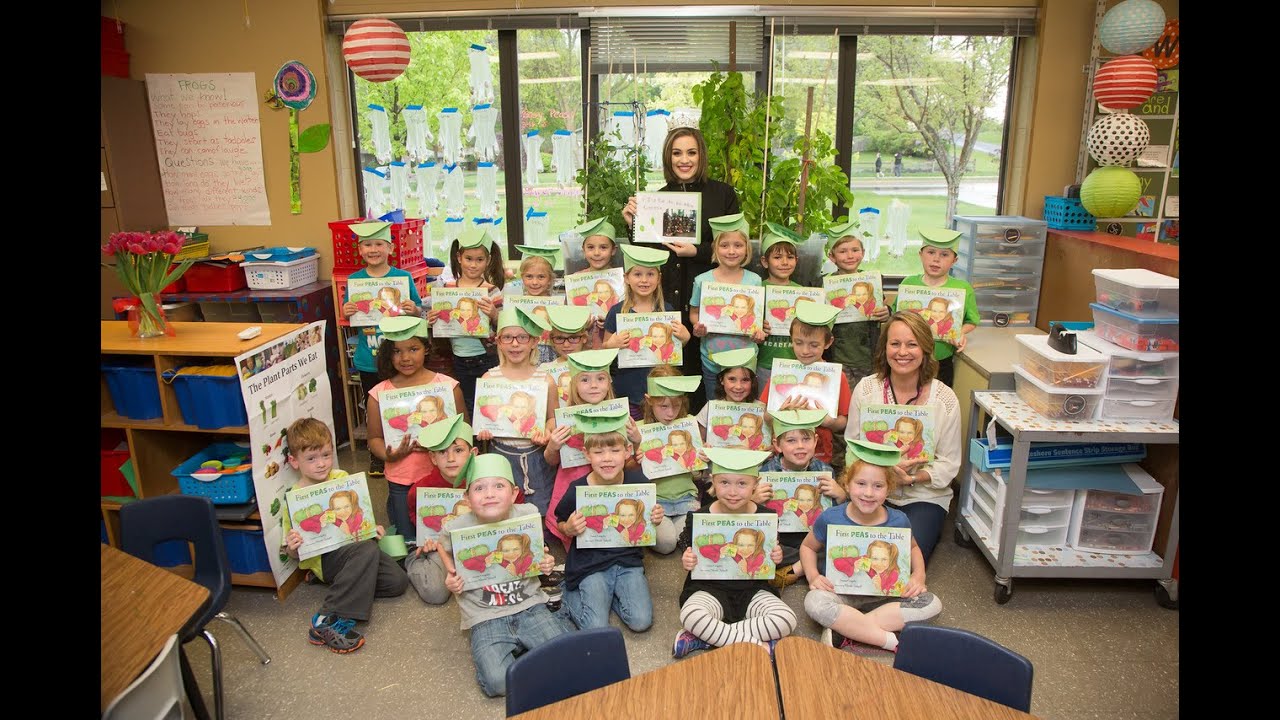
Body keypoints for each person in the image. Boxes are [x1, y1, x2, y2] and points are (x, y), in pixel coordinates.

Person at [408, 454, 572, 697]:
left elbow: (538, 554)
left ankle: (533, 649)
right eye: (479, 488)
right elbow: (443, 548)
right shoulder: (456, 527)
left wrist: (545, 563)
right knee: (498, 683)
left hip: (529, 605)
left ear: (515, 492)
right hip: (484, 616)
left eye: (499, 485)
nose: (489, 494)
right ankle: (522, 659)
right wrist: (451, 576)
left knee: (567, 662)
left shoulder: (526, 513)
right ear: (467, 497)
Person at [622, 126, 741, 398]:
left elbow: (737, 245)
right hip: (669, 297)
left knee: (709, 376)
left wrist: (696, 251)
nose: (684, 160)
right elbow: (650, 256)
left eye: (691, 152)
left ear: (701, 156)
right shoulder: (656, 199)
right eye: (676, 153)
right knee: (672, 373)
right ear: (667, 157)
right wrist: (633, 225)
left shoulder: (723, 195)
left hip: (709, 301)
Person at [800, 439, 942, 654]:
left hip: (889, 594)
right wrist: (812, 576)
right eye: (861, 484)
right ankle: (888, 640)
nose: (868, 493)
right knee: (814, 601)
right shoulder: (831, 517)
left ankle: (850, 629)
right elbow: (808, 547)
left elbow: (913, 548)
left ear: (889, 489)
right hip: (842, 593)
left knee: (931, 603)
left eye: (878, 486)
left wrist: (919, 575)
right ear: (847, 484)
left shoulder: (899, 519)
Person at [842, 311, 962, 564]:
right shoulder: (866, 389)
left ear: (926, 349)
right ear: (884, 347)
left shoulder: (945, 399)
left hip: (923, 495)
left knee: (900, 562)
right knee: (853, 555)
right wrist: (880, 474)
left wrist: (911, 478)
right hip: (870, 491)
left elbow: (949, 463)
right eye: (895, 344)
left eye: (912, 344)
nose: (902, 352)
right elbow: (852, 447)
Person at [282, 417, 408, 654]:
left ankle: (346, 583)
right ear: (294, 461)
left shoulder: (340, 478)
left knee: (397, 582)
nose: (321, 464)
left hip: (355, 550)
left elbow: (359, 515)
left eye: (326, 455)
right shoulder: (295, 498)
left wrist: (373, 528)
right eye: (311, 458)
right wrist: (292, 547)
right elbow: (291, 554)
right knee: (367, 550)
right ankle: (326, 619)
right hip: (326, 559)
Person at [674, 448, 797, 658]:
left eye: (742, 484)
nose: (732, 491)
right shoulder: (699, 517)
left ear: (755, 485)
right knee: (691, 614)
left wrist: (775, 556)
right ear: (713, 481)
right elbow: (686, 547)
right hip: (709, 588)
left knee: (787, 619)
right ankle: (758, 646)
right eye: (724, 483)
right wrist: (688, 558)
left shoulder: (765, 517)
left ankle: (705, 638)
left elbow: (768, 553)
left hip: (752, 589)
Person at [554, 407, 665, 630]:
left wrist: (656, 517)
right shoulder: (578, 488)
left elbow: (646, 520)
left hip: (628, 561)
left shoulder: (638, 482)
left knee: (641, 621)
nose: (607, 459)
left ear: (627, 451)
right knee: (595, 627)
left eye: (614, 451)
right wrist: (569, 528)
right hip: (590, 564)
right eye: (598, 452)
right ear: (587, 454)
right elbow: (560, 521)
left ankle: (609, 596)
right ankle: (569, 593)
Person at [366, 316, 465, 540]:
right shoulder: (379, 394)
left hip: (444, 477)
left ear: (426, 349)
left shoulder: (447, 387)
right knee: (408, 538)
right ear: (388, 354)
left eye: (413, 349)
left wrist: (440, 442)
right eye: (397, 351)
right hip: (402, 478)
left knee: (446, 534)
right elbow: (374, 439)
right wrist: (389, 455)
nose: (406, 358)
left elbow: (463, 432)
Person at [341, 221, 424, 477]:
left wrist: (414, 309)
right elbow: (348, 317)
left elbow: (419, 311)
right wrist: (347, 311)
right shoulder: (354, 281)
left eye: (379, 244)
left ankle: (408, 445)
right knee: (374, 408)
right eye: (367, 245)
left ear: (390, 247)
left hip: (400, 356)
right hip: (368, 358)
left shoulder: (403, 278)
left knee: (402, 405)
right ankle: (377, 454)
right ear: (360, 250)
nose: (373, 249)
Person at [543, 349, 643, 550]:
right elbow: (551, 461)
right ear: (574, 385)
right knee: (576, 534)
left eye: (600, 378)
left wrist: (637, 442)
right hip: (571, 480)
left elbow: (630, 463)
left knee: (608, 528)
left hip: (610, 482)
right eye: (585, 380)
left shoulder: (621, 416)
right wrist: (553, 446)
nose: (594, 385)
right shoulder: (564, 421)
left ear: (609, 383)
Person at [474, 307, 558, 517]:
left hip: (535, 456)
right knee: (502, 511)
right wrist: (483, 433)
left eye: (522, 337)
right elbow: (484, 420)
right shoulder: (489, 379)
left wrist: (547, 433)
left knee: (539, 510)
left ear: (534, 342)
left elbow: (551, 418)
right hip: (500, 454)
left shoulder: (545, 380)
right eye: (508, 337)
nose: (515, 343)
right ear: (498, 341)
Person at [758, 302, 850, 472]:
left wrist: (828, 421)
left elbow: (843, 422)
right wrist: (778, 413)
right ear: (790, 340)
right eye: (798, 343)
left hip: (821, 453)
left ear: (828, 343)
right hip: (783, 455)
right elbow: (765, 416)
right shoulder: (782, 373)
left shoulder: (837, 377)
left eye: (814, 345)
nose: (805, 350)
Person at [602, 244, 691, 419]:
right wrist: (612, 345)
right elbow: (605, 350)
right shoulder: (616, 311)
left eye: (650, 274)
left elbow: (675, 349)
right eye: (637, 274)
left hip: (661, 393)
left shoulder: (667, 311)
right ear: (626, 278)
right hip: (628, 389)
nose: (644, 280)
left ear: (659, 278)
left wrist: (685, 338)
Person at [757, 409, 841, 589]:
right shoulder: (765, 473)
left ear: (816, 441)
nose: (800, 446)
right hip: (782, 538)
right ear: (777, 445)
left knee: (835, 550)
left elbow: (837, 516)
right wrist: (754, 500)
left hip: (813, 537)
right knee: (764, 549)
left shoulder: (825, 472)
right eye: (791, 440)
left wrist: (841, 494)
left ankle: (794, 570)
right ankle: (806, 564)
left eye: (806, 439)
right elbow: (754, 517)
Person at [690, 213, 767, 402]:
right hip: (712, 359)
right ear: (715, 248)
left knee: (745, 406)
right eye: (724, 246)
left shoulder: (754, 281)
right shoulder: (702, 281)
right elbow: (694, 313)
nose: (731, 251)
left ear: (747, 248)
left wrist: (760, 332)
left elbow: (758, 319)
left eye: (738, 245)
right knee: (714, 405)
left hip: (745, 360)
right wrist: (698, 327)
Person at [891, 228, 980, 387]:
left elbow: (971, 321)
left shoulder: (963, 289)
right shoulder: (908, 284)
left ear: (955, 260)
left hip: (941, 359)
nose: (936, 259)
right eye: (931, 252)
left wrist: (961, 332)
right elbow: (896, 317)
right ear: (920, 255)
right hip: (906, 358)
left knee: (937, 404)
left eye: (944, 254)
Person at [430, 230, 505, 412]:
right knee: (465, 405)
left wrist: (495, 315)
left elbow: (504, 327)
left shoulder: (492, 291)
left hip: (486, 358)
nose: (473, 265)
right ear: (459, 258)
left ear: (488, 261)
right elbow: (439, 325)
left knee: (489, 403)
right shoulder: (446, 288)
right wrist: (432, 320)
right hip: (456, 358)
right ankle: (472, 440)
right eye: (469, 258)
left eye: (479, 260)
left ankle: (487, 439)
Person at [825, 217, 891, 395]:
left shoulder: (873, 282)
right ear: (832, 256)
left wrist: (886, 313)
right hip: (838, 357)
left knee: (867, 397)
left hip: (868, 357)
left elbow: (882, 309)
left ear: (863, 252)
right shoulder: (823, 285)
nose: (850, 256)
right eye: (843, 251)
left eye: (855, 250)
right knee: (842, 399)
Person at [641, 370, 703, 554]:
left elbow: (698, 475)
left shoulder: (689, 425)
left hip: (686, 499)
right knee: (667, 545)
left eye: (676, 406)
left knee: (684, 539)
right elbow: (631, 478)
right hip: (656, 502)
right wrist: (635, 460)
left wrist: (701, 459)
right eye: (663, 406)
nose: (670, 413)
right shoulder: (639, 430)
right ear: (649, 400)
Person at [756, 223, 805, 393]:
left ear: (796, 261)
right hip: (765, 363)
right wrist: (757, 328)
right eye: (777, 257)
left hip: (796, 363)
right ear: (765, 261)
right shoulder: (756, 290)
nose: (784, 262)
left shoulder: (804, 294)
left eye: (790, 257)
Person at [568, 217, 620, 347]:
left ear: (613, 250)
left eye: (603, 247)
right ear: (583, 249)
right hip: (583, 347)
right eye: (590, 247)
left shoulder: (622, 281)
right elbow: (568, 317)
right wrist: (580, 324)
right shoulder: (576, 280)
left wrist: (612, 321)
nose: (596, 253)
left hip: (614, 347)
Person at [509, 244, 563, 364]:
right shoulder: (515, 305)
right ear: (522, 278)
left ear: (550, 279)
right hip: (522, 355)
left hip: (551, 356)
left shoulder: (558, 305)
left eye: (541, 277)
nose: (534, 282)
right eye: (529, 276)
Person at [539, 306, 592, 406]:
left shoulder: (595, 364)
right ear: (551, 340)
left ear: (584, 338)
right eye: (559, 338)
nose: (566, 345)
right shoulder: (544, 370)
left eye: (573, 338)